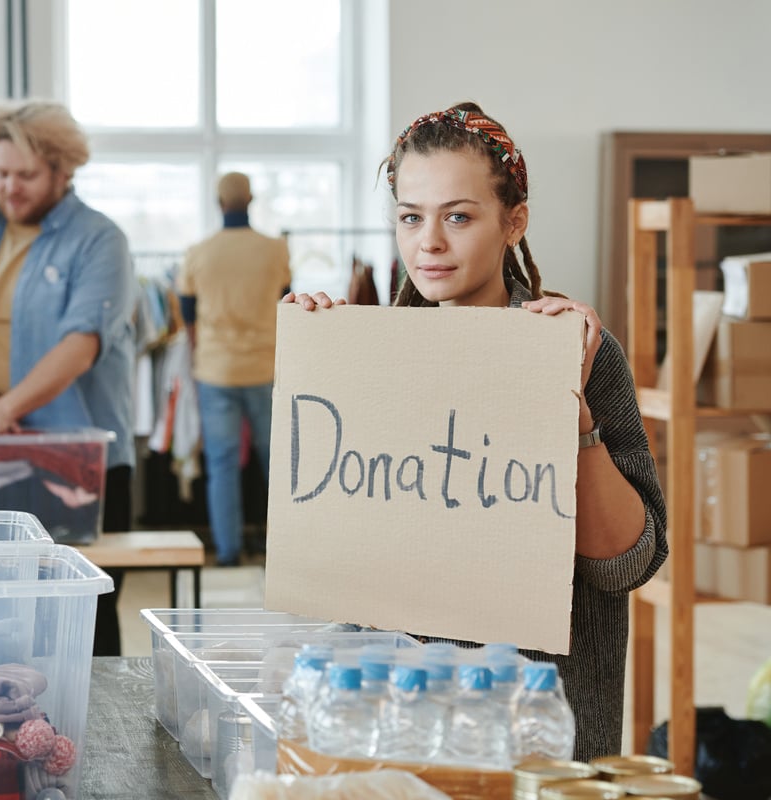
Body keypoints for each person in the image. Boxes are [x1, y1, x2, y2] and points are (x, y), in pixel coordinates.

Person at [286, 102, 669, 760]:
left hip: (536, 738)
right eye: (412, 216)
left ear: (513, 222)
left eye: (458, 216)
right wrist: (312, 364)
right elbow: (330, 553)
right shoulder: (367, 355)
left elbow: (626, 567)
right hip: (391, 725)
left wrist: (572, 415)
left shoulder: (578, 350)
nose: (429, 242)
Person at [0, 99, 136, 656]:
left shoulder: (99, 240)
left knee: (75, 622)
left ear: (63, 172)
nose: (10, 187)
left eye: (27, 176)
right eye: (1, 173)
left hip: (78, 466)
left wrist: (1, 413)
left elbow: (80, 344)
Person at [177, 172, 291, 566]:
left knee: (222, 465)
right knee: (277, 463)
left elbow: (187, 316)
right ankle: (284, 551)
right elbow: (285, 302)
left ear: (217, 201)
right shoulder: (276, 250)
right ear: (252, 199)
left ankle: (227, 552)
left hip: (215, 369)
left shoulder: (198, 252)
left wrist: (200, 350)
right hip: (265, 365)